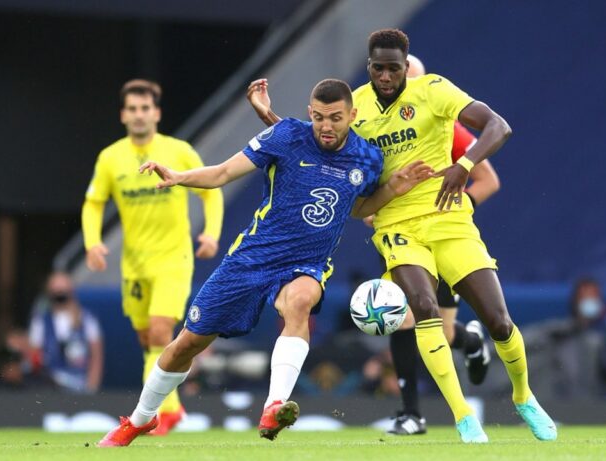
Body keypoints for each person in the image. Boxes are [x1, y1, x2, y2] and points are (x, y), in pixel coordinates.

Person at [246, 29, 556, 443]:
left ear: (406, 66)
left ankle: (523, 396)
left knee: (499, 322)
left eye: (394, 68)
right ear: (369, 66)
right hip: (396, 226)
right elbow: (316, 142)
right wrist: (269, 117)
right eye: (379, 68)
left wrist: (463, 165)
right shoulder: (357, 106)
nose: (386, 76)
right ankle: (463, 416)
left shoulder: (433, 90)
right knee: (423, 309)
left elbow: (497, 126)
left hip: (449, 221)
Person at [96, 78, 433, 447]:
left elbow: (357, 208)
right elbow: (223, 173)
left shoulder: (368, 158)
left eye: (335, 118)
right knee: (187, 344)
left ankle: (274, 405)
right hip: (253, 257)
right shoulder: (286, 135)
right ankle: (140, 419)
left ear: (352, 116)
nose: (326, 126)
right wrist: (179, 177)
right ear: (310, 113)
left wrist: (391, 189)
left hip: (307, 263)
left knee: (300, 302)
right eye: (319, 117)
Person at [82, 79, 224, 434]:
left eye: (145, 108)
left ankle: (152, 415)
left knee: (161, 332)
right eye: (132, 109)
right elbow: (94, 202)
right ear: (123, 115)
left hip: (173, 259)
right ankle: (171, 410)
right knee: (148, 340)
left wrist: (211, 233)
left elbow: (211, 191)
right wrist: (92, 242)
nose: (139, 115)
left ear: (157, 113)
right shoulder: (110, 158)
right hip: (134, 264)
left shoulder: (179, 151)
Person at [380, 53, 502, 435]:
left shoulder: (445, 126)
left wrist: (453, 205)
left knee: (442, 332)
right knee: (402, 318)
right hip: (401, 235)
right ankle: (410, 414)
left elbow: (488, 180)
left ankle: (469, 339)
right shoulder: (375, 125)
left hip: (442, 236)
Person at [521, 277, 606, 400]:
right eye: (584, 298)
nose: (589, 302)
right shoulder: (559, 333)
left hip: (596, 399)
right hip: (560, 398)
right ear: (575, 302)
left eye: (593, 297)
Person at [28, 272, 104, 393]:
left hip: (80, 384)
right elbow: (34, 354)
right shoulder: (41, 321)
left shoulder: (87, 320)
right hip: (51, 386)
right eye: (56, 291)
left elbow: (96, 357)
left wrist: (91, 388)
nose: (60, 296)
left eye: (63, 291)